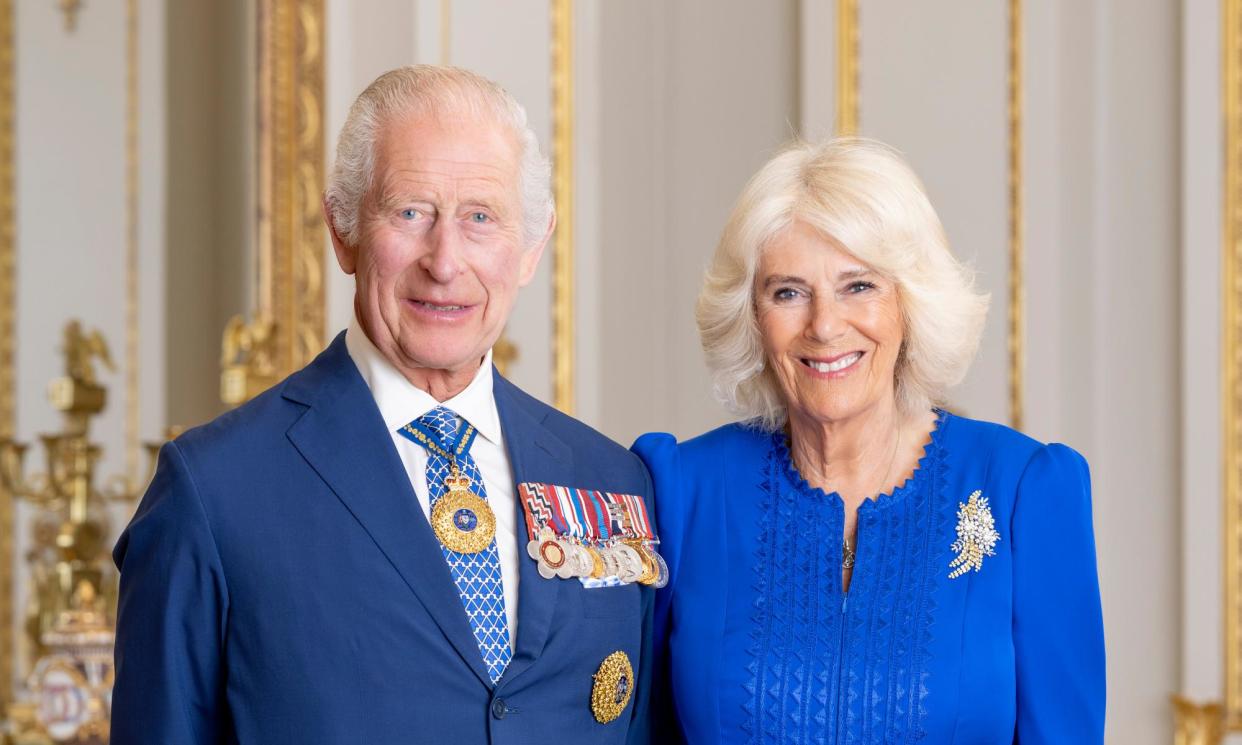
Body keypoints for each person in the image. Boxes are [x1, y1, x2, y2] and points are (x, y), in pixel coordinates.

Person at [111, 65, 658, 745]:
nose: (445, 259)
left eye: (480, 217)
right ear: (343, 229)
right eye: (411, 212)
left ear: (531, 247)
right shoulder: (213, 492)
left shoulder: (610, 479)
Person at [633, 138, 1105, 744]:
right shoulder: (679, 492)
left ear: (910, 304)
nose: (825, 325)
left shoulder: (1023, 490)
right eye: (788, 292)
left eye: (859, 286)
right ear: (752, 315)